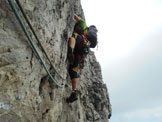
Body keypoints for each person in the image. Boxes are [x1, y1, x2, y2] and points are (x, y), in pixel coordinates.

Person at [66, 14, 98, 103]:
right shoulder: (92, 38)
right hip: (82, 52)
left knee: (74, 35)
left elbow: (75, 16)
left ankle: (70, 50)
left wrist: (74, 13)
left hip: (79, 42)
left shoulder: (84, 25)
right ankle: (74, 90)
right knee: (73, 70)